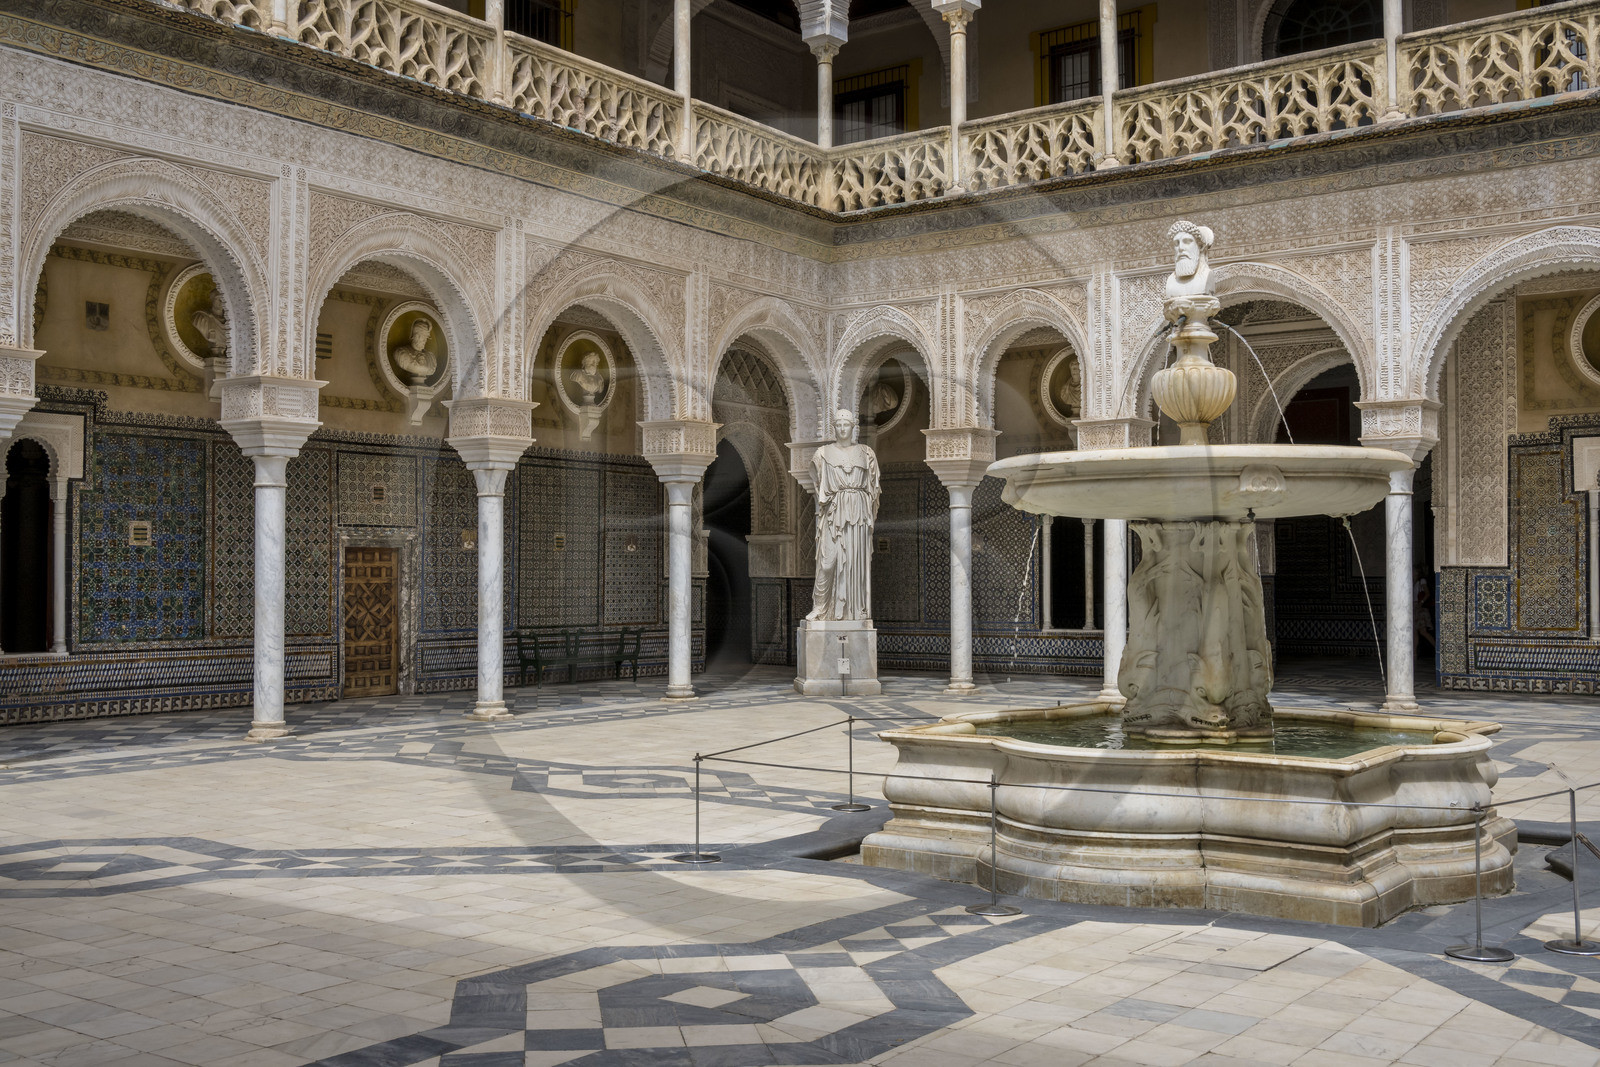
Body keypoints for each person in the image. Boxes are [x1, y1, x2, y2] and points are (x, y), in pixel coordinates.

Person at [806, 408, 881, 621]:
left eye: (845, 424)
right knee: (827, 561)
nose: (842, 429)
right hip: (834, 512)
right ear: (834, 428)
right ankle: (821, 608)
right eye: (838, 425)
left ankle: (854, 611)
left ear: (853, 427)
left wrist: (866, 511)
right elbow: (818, 486)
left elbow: (873, 489)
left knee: (855, 563)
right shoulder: (822, 454)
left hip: (857, 514)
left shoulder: (867, 453)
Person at [392, 318, 438, 384]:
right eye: (422, 336)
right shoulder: (401, 354)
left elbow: (431, 369)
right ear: (415, 335)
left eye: (426, 336)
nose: (425, 340)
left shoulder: (431, 357)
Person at [191, 289, 228, 357]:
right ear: (212, 299)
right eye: (218, 298)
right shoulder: (201, 317)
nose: (221, 302)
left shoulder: (230, 322)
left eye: (223, 299)